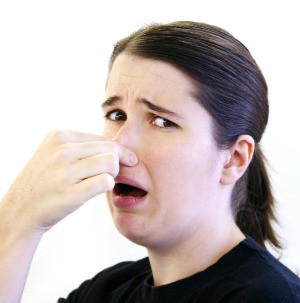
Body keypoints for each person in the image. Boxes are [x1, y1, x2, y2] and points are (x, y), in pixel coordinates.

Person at [0, 21, 299, 303]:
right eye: (117, 115)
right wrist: (16, 222)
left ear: (234, 159)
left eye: (161, 121)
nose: (119, 144)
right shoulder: (107, 291)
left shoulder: (269, 296)